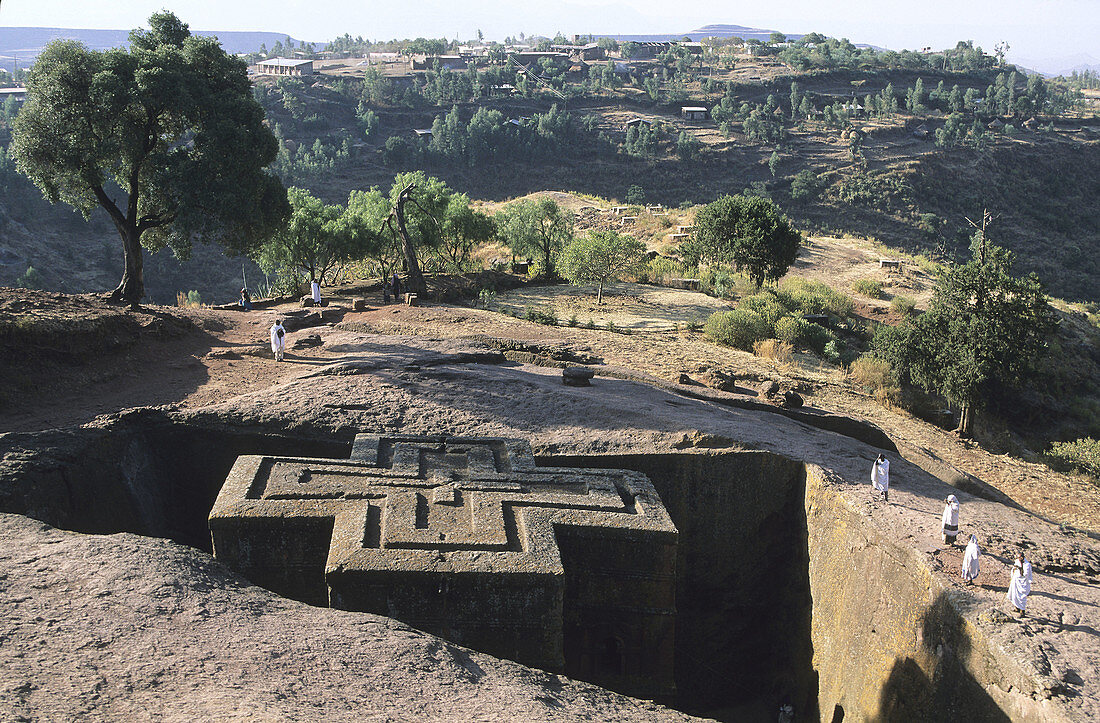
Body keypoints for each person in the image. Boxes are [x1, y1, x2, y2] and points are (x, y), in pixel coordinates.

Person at [1006, 550, 1032, 616]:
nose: (1019, 559)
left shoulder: (1027, 565)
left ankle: (1022, 611)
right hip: (1016, 581)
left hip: (1023, 582)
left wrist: (1020, 569)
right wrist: (1014, 570)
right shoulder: (1017, 562)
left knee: (1021, 597)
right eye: (1018, 558)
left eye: (1020, 557)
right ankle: (1017, 608)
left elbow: (1025, 574)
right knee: (1014, 594)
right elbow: (1013, 569)